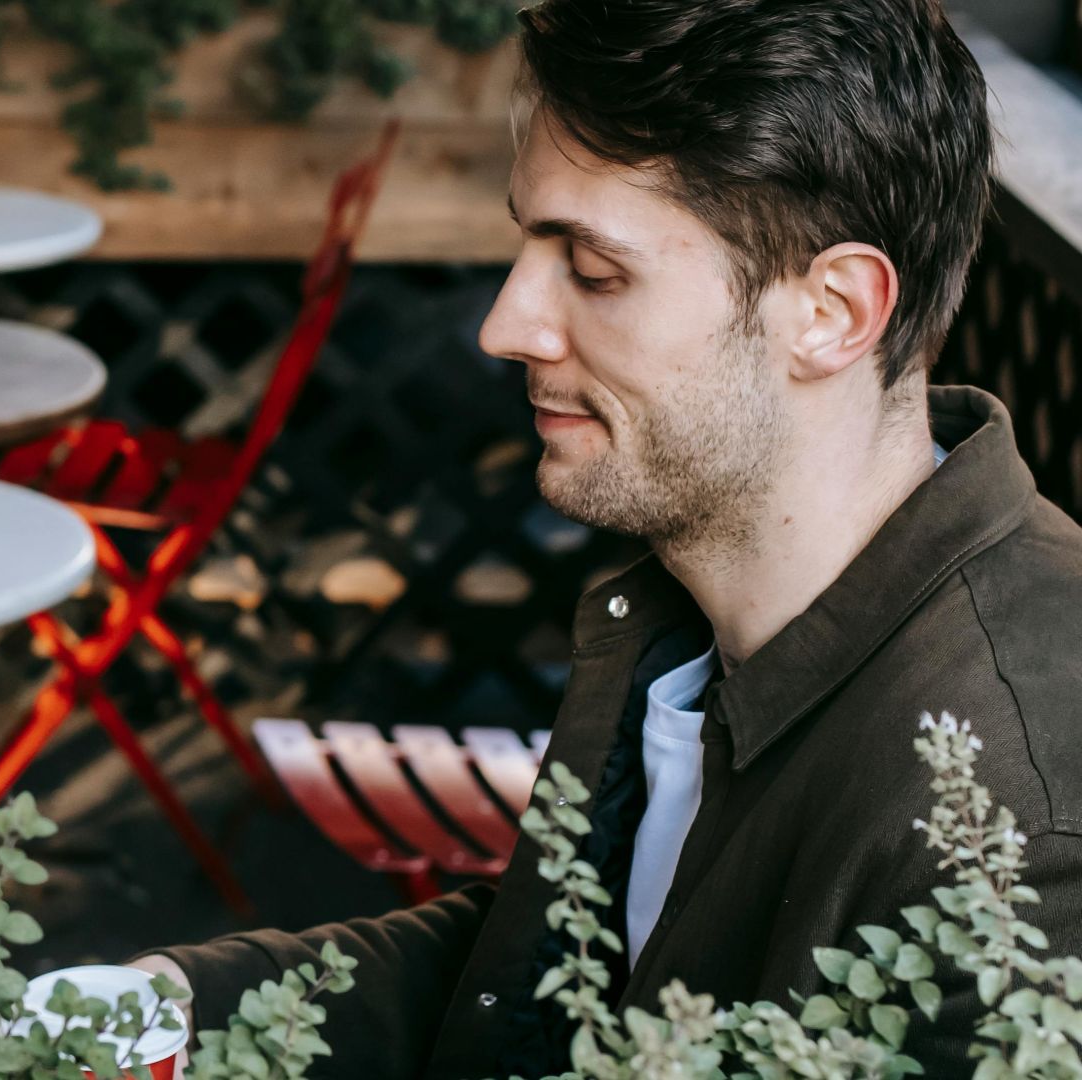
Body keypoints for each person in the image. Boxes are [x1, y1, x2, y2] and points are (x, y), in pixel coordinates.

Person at [134, 0, 1082, 1075]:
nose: (506, 326)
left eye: (593, 272)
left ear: (831, 311)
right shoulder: (699, 604)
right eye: (526, 246)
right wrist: (162, 1008)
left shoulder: (1026, 838)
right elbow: (568, 973)